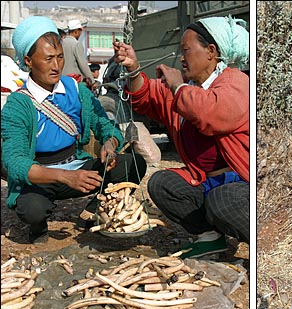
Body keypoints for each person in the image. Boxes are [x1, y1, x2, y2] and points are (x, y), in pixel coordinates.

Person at [1, 16, 147, 244]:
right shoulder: (17, 105)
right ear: (28, 61)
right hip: (42, 175)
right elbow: (15, 163)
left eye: (60, 57)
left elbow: (105, 126)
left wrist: (110, 143)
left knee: (132, 163)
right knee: (31, 209)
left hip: (76, 166)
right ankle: (38, 228)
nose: (56, 65)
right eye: (48, 59)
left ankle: (92, 211)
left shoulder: (76, 90)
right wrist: (65, 176)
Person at [113, 16, 249, 258]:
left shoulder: (236, 82)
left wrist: (178, 87)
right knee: (162, 183)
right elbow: (146, 95)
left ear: (211, 52)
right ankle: (209, 238)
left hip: (239, 183)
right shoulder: (188, 86)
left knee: (223, 201)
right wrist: (133, 69)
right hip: (205, 181)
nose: (182, 58)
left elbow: (209, 113)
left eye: (186, 50)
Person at [62, 19, 94, 85]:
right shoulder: (76, 44)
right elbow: (83, 64)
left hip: (61, 80)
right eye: (80, 32)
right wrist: (92, 81)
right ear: (76, 31)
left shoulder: (61, 42)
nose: (80, 34)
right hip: (74, 81)